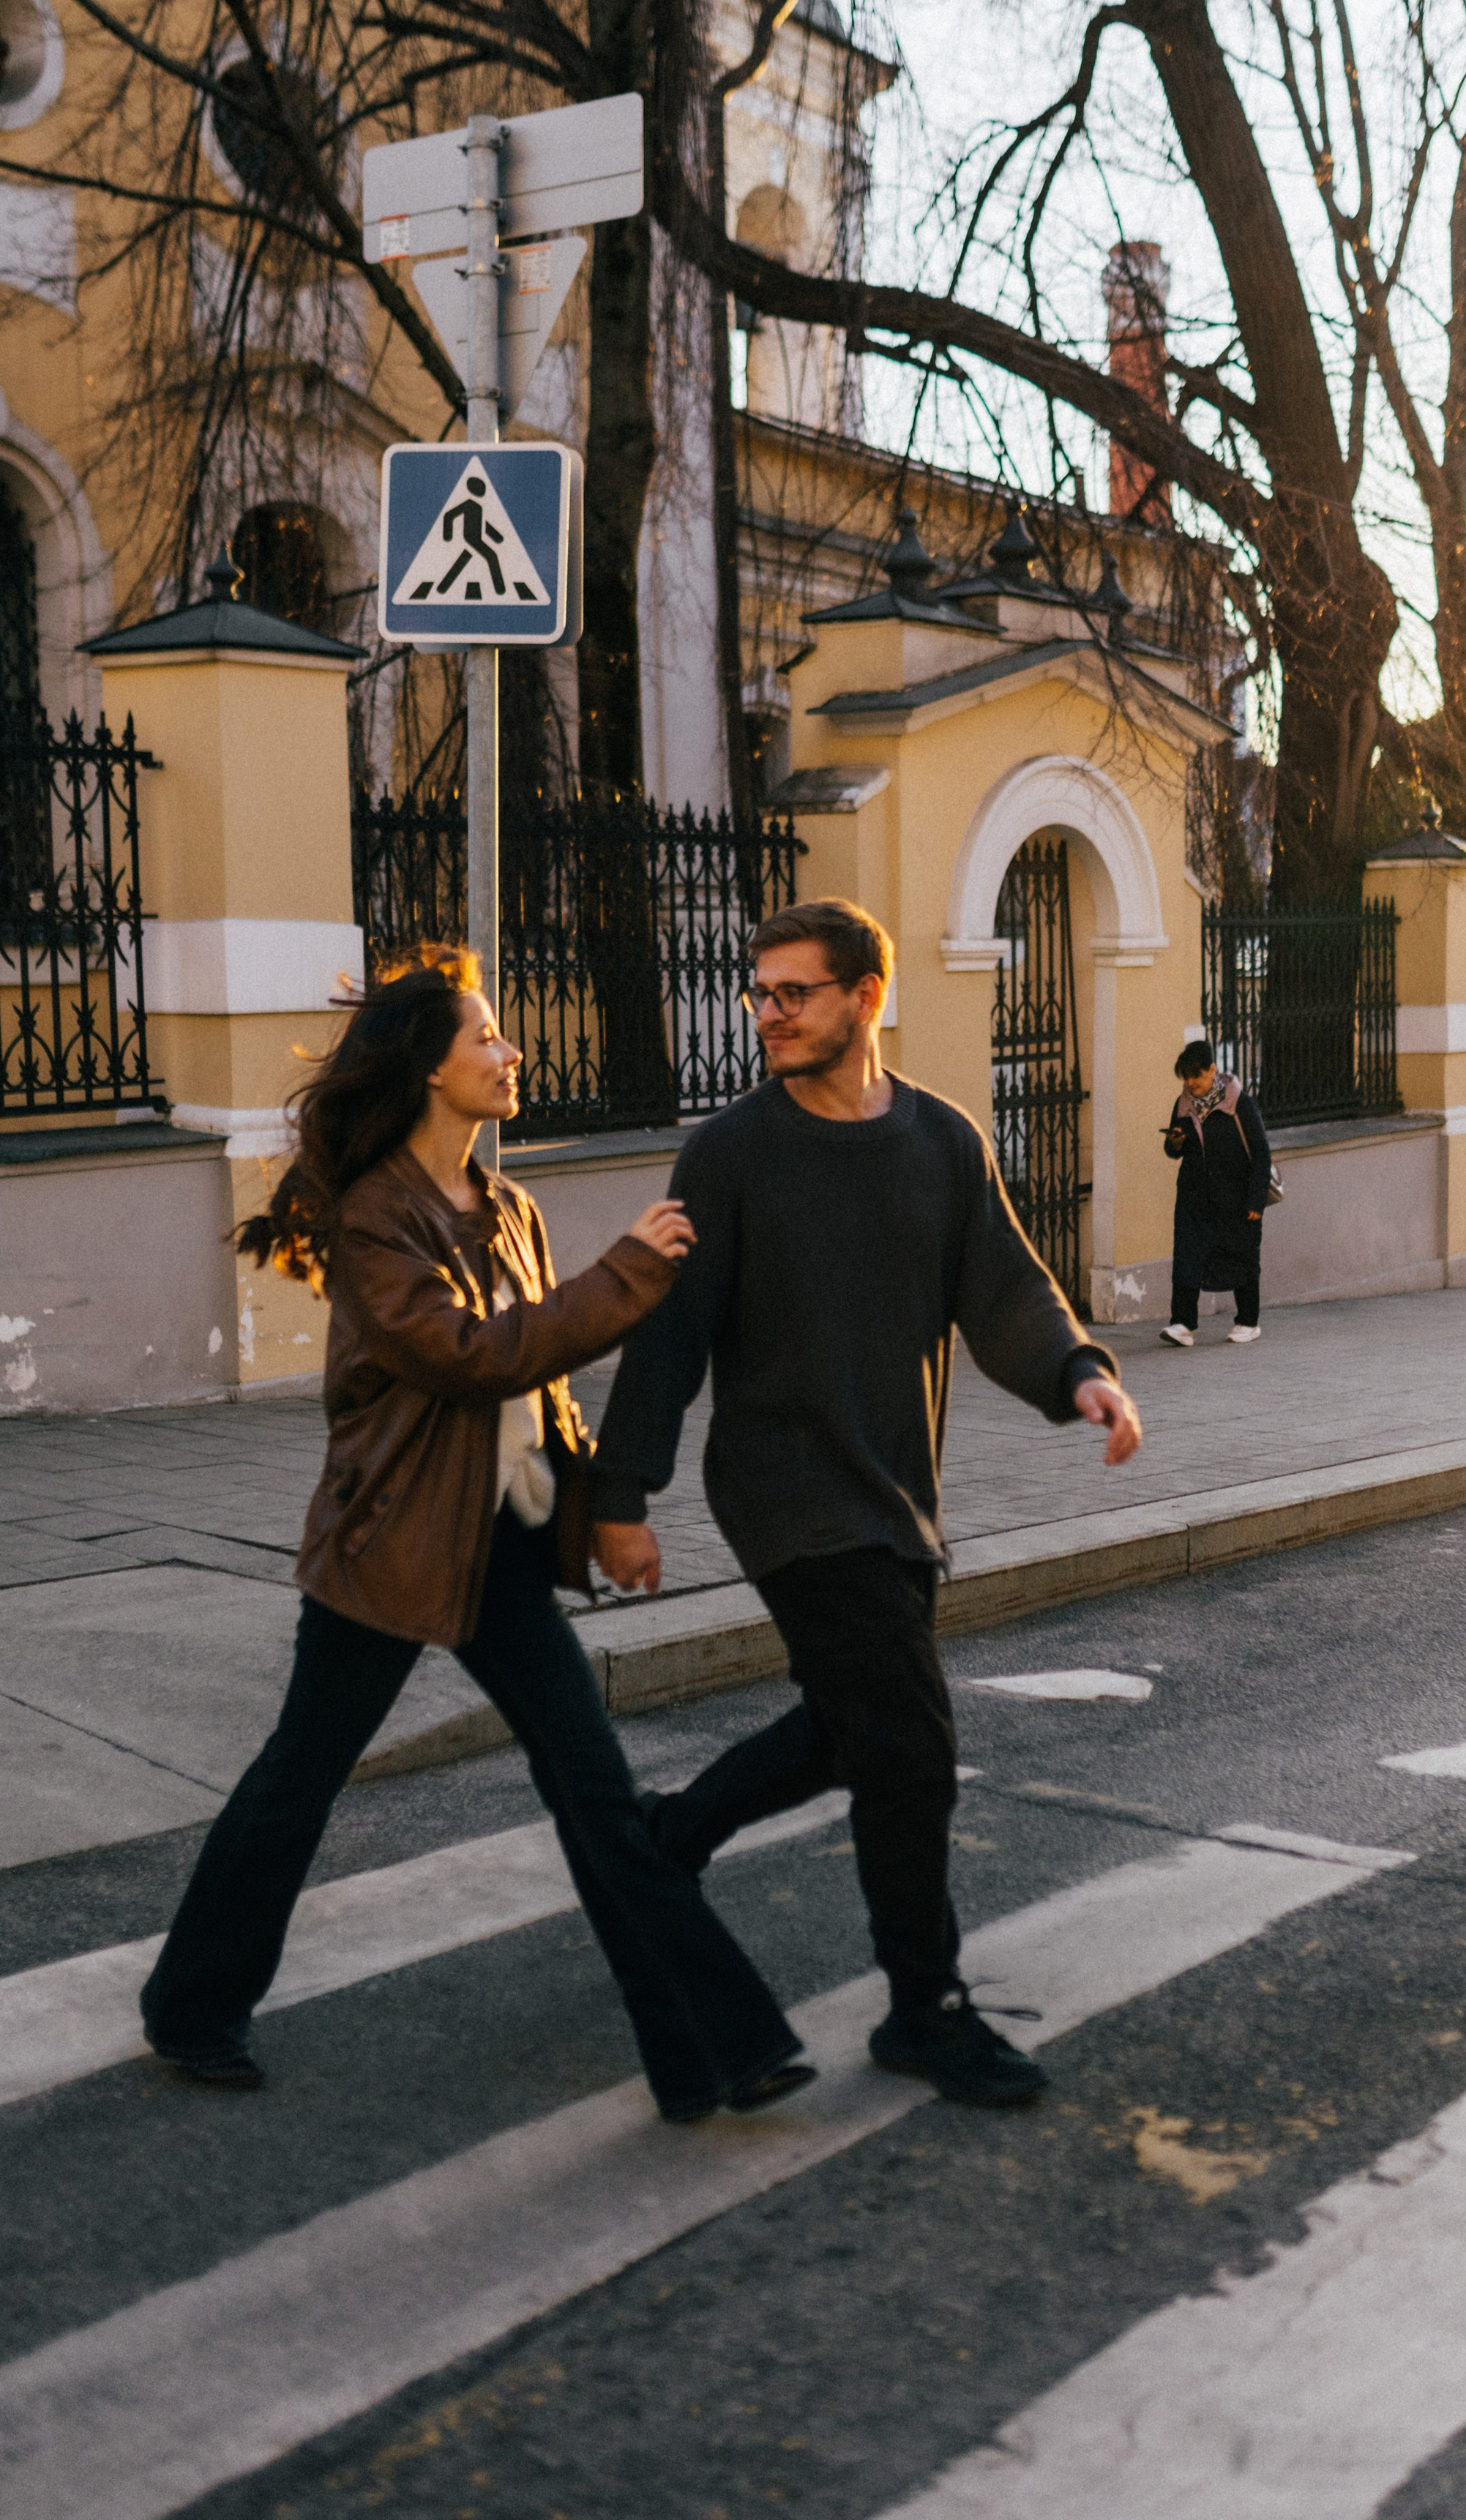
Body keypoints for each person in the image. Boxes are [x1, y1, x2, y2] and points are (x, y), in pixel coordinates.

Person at [139, 948, 812, 2126]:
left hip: (501, 1546)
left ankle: (715, 2047)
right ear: (428, 1071)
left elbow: (542, 1394)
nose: (512, 1052)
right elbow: (471, 1357)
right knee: (300, 1779)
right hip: (391, 1545)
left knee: (597, 1791)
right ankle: (192, 2004)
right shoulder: (373, 1218)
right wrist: (628, 1274)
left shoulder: (507, 1209)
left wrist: (605, 1510)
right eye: (487, 1037)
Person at [586, 898, 1142, 2111]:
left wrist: (1078, 1372)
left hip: (896, 1486)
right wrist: (620, 1495)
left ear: (866, 998)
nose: (768, 1014)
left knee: (856, 1727)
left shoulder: (940, 1141)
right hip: (784, 1487)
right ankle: (923, 2009)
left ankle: (666, 1839)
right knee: (912, 1741)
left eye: (794, 993)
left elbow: (1004, 1287)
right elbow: (673, 1334)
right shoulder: (732, 1153)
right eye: (760, 993)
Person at [1160, 1038, 1270, 1347]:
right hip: (1194, 1197)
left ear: (1212, 1069)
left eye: (1196, 1076)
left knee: (1241, 1254)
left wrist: (1256, 1199)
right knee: (1187, 1255)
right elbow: (1173, 1151)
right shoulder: (1183, 1105)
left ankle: (1248, 1321)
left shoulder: (1240, 1104)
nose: (1191, 1083)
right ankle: (1182, 1324)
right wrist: (1175, 1142)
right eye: (1186, 1077)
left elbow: (1261, 1153)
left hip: (1236, 1196)